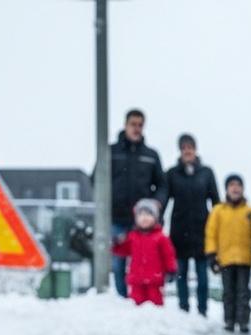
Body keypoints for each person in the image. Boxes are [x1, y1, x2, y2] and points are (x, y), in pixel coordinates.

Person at [93, 109, 166, 298]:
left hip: (142, 220)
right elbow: (96, 179)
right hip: (116, 217)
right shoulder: (111, 152)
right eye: (133, 124)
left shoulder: (150, 155)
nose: (136, 128)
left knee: (143, 262)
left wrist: (157, 203)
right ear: (125, 125)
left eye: (140, 125)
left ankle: (139, 299)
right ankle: (122, 298)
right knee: (118, 262)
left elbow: (162, 185)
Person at [163, 133, 220, 316]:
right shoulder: (172, 174)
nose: (187, 151)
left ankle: (202, 310)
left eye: (190, 147)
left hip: (202, 229)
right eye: (184, 148)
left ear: (195, 150)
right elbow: (164, 198)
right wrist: (157, 217)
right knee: (181, 273)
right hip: (179, 230)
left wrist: (218, 225)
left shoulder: (206, 173)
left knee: (202, 275)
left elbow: (216, 201)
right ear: (180, 151)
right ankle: (183, 309)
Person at [204, 174, 251, 333]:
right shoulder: (218, 211)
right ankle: (229, 320)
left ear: (242, 189)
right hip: (226, 259)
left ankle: (243, 320)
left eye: (238, 185)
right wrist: (211, 255)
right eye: (232, 185)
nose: (235, 188)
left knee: (243, 292)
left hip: (244, 259)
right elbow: (211, 233)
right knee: (228, 292)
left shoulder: (250, 212)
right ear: (227, 189)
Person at [116, 199, 176, 306]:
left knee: (155, 305)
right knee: (136, 305)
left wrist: (171, 269)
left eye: (148, 214)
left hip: (155, 280)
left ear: (155, 218)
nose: (144, 218)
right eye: (141, 215)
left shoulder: (161, 237)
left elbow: (168, 255)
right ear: (136, 218)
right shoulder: (132, 236)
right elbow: (123, 250)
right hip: (137, 280)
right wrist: (117, 244)